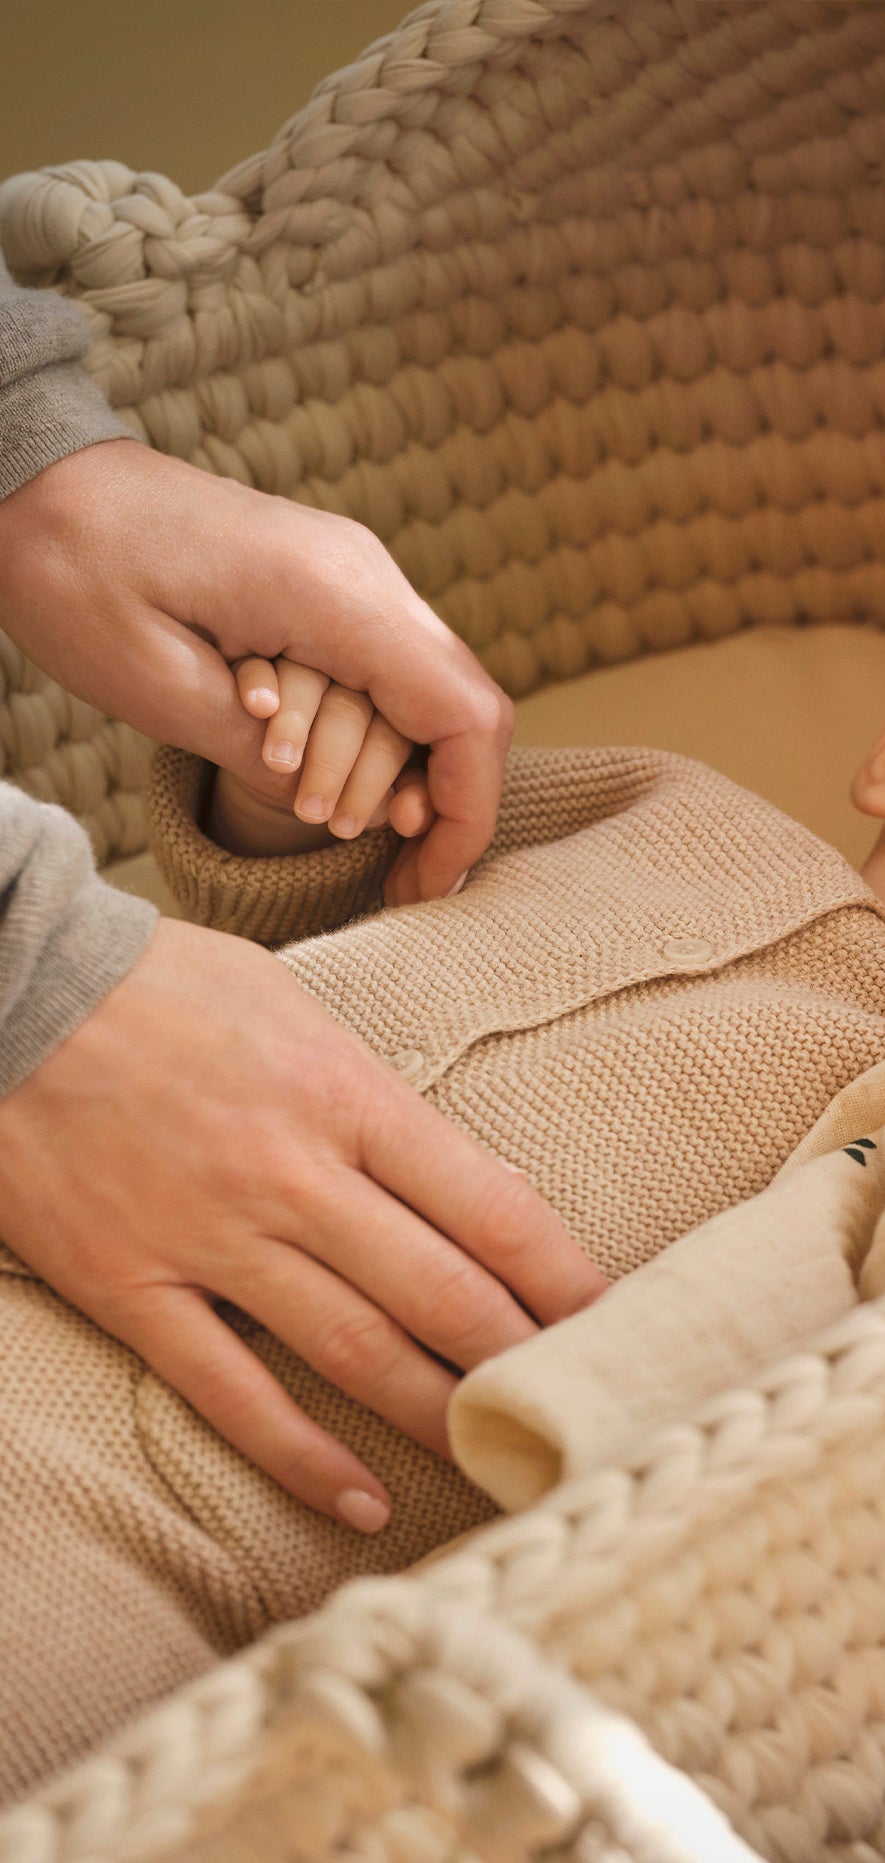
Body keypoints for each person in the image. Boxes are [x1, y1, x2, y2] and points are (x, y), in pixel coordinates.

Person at [0, 594, 885, 1802]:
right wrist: (294, 797)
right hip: (68, 1163)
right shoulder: (665, 808)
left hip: (172, 1557)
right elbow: (341, 903)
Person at [0, 252, 607, 1541]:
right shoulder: (674, 825)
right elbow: (377, 934)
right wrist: (38, 975)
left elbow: (253, 997)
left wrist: (37, 461)